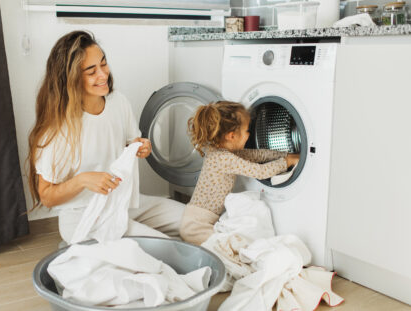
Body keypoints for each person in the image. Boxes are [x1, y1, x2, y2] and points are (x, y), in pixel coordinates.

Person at [26, 30, 184, 244]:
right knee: (167, 248)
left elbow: (129, 141)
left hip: (123, 203)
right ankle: (85, 247)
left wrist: (140, 146)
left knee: (192, 218)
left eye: (103, 64)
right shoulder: (57, 129)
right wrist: (82, 180)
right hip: (83, 215)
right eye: (91, 71)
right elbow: (46, 196)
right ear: (71, 79)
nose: (103, 75)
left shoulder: (118, 102)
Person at [179, 101, 299, 245]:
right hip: (196, 226)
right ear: (231, 136)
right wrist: (286, 162)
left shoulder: (219, 151)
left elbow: (257, 155)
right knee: (226, 252)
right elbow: (260, 172)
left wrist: (286, 154)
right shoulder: (224, 158)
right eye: (247, 130)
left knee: (225, 248)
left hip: (196, 221)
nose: (249, 134)